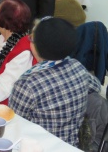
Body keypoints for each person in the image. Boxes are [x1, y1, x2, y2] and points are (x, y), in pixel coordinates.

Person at [9, 17, 101, 147]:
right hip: (70, 146)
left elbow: (14, 123)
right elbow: (96, 87)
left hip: (38, 147)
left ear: (39, 47)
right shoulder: (77, 67)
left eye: (32, 39)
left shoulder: (27, 84)